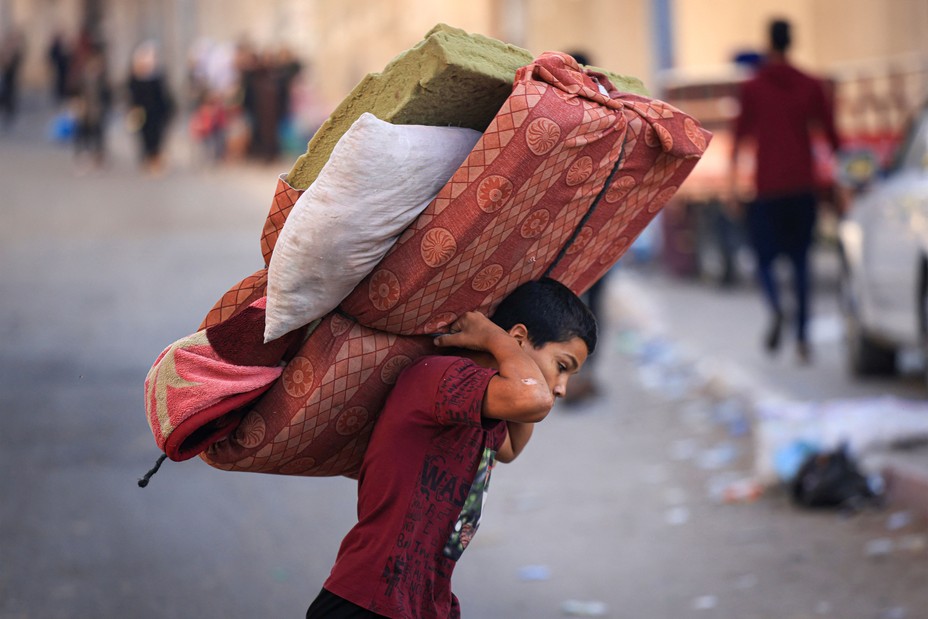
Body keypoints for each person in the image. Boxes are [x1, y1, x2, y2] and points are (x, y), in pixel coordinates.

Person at [306, 278, 597, 618]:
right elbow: (534, 399)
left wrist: (511, 353)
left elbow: (513, 444)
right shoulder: (440, 379)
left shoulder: (484, 401)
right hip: (367, 600)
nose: (561, 388)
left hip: (427, 602)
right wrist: (496, 337)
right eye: (562, 367)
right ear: (517, 338)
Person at [730, 18, 841, 363]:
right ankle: (804, 340)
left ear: (769, 43)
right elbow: (834, 137)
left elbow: (740, 139)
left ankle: (777, 306)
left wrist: (733, 185)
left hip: (767, 189)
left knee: (764, 260)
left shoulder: (754, 87)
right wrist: (840, 183)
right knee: (801, 262)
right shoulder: (810, 84)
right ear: (792, 42)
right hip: (802, 188)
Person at [128, 41, 174, 174]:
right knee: (144, 138)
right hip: (141, 113)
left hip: (157, 113)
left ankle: (156, 161)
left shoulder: (157, 77)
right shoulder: (135, 77)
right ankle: (147, 160)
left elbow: (164, 96)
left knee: (157, 138)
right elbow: (132, 95)